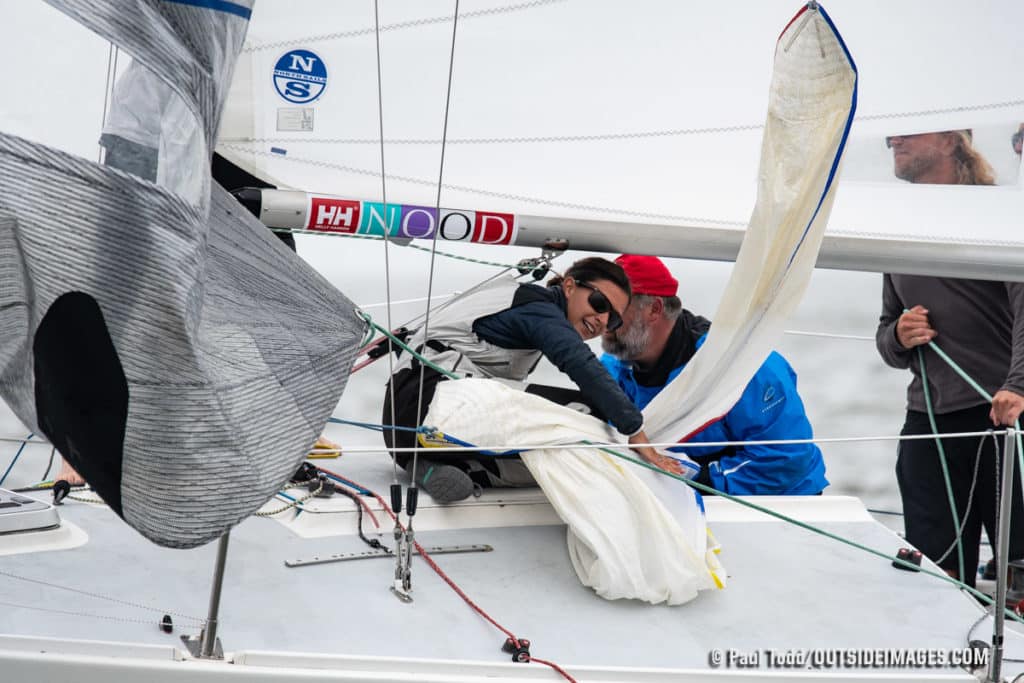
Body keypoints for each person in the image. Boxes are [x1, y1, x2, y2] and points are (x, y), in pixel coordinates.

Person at [382, 256, 680, 503]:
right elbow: (578, 362)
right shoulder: (536, 308)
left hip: (409, 427)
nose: (602, 320)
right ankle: (440, 461)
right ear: (569, 286)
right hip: (423, 404)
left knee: (554, 444)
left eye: (613, 319)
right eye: (599, 303)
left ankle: (446, 469)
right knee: (588, 413)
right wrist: (635, 430)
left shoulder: (525, 304)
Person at [877, 128, 1023, 588]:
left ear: (951, 140)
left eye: (907, 134)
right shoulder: (896, 227)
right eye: (890, 137)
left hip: (999, 413)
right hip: (928, 420)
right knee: (936, 574)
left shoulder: (998, 214)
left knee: (1018, 569)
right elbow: (885, 335)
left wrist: (1018, 386)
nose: (893, 142)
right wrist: (899, 336)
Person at [600, 255, 827, 495]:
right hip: (674, 497)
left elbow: (785, 459)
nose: (603, 320)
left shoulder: (746, 366)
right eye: (600, 305)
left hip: (782, 505)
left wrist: (695, 480)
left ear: (654, 309)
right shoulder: (610, 370)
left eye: (614, 308)